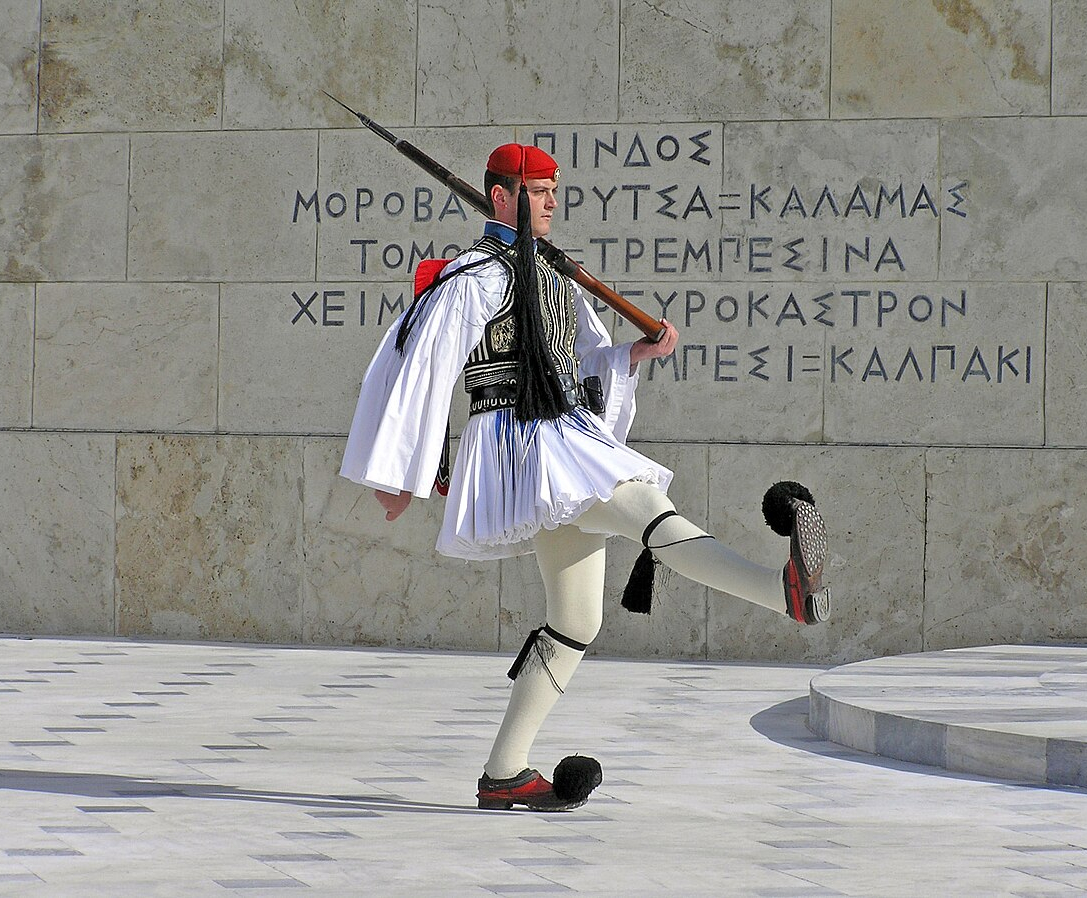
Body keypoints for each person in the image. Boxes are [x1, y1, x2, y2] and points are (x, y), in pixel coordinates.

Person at [340, 143, 830, 812]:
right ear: (501, 196)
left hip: (564, 431)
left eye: (553, 190)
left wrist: (634, 353)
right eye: (538, 191)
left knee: (575, 620)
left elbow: (582, 360)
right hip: (521, 440)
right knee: (644, 505)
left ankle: (504, 774)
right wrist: (402, 472)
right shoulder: (473, 277)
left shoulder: (553, 272)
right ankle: (781, 591)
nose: (551, 201)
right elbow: (421, 366)